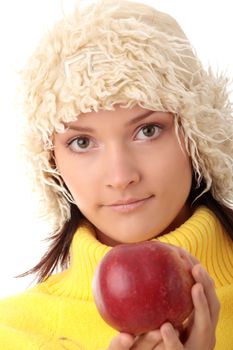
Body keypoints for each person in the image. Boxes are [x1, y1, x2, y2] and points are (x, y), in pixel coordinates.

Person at [0, 0, 232, 349]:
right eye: (81, 141)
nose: (121, 176)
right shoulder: (12, 333)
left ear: (198, 135)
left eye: (149, 131)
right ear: (50, 163)